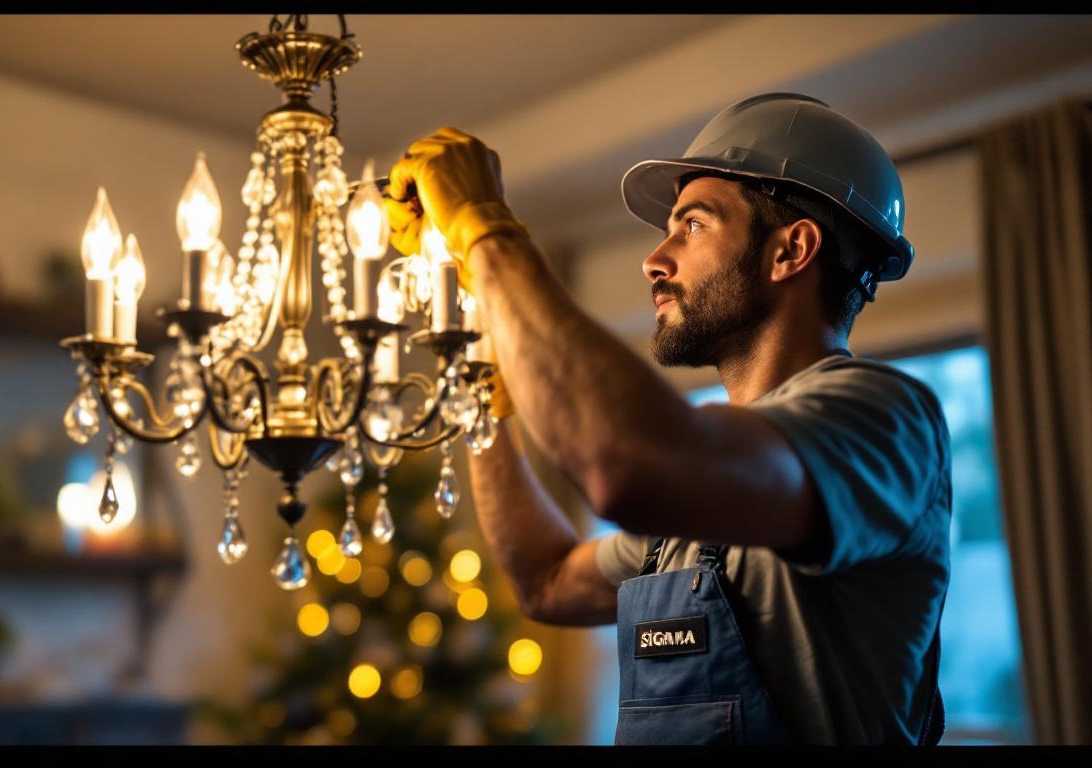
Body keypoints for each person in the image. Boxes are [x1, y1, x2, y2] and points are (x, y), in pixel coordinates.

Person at [383, 93, 951, 745]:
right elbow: (545, 580)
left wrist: (487, 231)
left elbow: (628, 463)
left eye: (694, 226)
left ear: (790, 250)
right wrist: (482, 370)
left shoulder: (882, 417)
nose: (655, 259)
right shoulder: (701, 499)